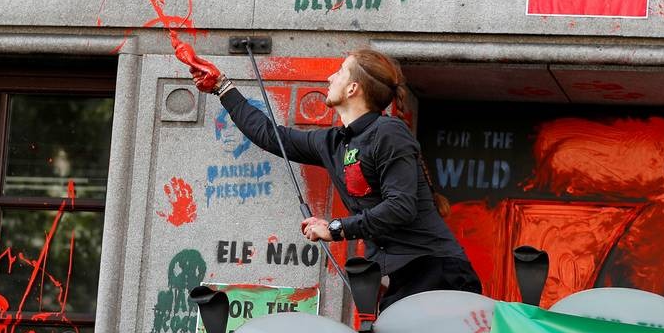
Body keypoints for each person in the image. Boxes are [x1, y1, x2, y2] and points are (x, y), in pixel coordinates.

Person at [189, 47, 481, 309]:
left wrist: (336, 228)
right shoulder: (333, 143)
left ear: (354, 88)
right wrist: (222, 87)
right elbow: (270, 136)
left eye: (340, 71)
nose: (330, 77)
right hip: (403, 280)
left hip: (438, 273)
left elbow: (400, 206)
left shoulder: (389, 132)